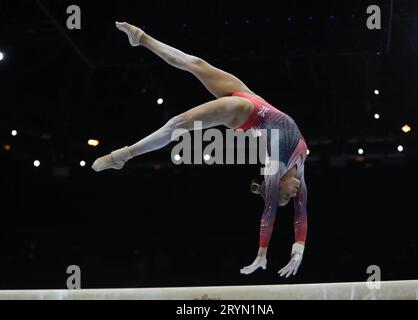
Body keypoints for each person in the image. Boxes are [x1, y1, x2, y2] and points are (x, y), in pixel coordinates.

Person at [92, 22, 309, 278]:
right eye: (287, 198)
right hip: (253, 99)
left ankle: (124, 156)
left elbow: (269, 214)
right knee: (197, 64)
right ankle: (141, 38)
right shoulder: (300, 175)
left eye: (284, 197)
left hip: (245, 113)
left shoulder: (274, 172)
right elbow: (300, 215)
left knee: (178, 124)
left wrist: (262, 254)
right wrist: (297, 251)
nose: (291, 195)